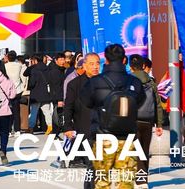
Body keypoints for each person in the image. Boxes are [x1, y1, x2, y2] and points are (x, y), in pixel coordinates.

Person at [81, 44, 145, 189]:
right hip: (128, 138)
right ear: (124, 60)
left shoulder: (95, 82)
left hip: (103, 137)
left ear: (106, 61)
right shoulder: (134, 82)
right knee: (126, 182)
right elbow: (139, 102)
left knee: (102, 181)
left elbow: (86, 101)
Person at [129, 55, 164, 186]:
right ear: (143, 66)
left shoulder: (129, 80)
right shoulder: (151, 81)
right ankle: (143, 181)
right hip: (148, 121)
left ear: (131, 67)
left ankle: (133, 180)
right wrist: (159, 123)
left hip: (132, 121)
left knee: (132, 151)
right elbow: (158, 104)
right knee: (144, 151)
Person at [63, 52, 99, 172]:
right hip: (83, 127)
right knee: (92, 166)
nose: (95, 67)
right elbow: (68, 106)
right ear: (84, 65)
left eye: (97, 63)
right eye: (91, 64)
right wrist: (67, 127)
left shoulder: (104, 83)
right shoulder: (75, 84)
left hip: (102, 129)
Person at [0, 60, 18, 164]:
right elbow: (12, 95)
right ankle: (3, 152)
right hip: (5, 112)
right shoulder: (7, 80)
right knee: (4, 133)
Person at [24, 54, 52, 134]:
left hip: (36, 94)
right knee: (47, 111)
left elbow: (31, 82)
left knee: (33, 112)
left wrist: (29, 86)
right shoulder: (47, 68)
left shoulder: (34, 69)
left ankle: (31, 128)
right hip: (46, 93)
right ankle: (50, 127)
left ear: (35, 60)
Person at [2, 51, 26, 135]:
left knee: (7, 111)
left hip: (6, 90)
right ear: (15, 57)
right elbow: (23, 77)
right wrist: (24, 87)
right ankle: (17, 130)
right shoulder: (19, 65)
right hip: (17, 90)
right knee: (16, 111)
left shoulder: (4, 66)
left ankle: (8, 130)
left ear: (8, 57)